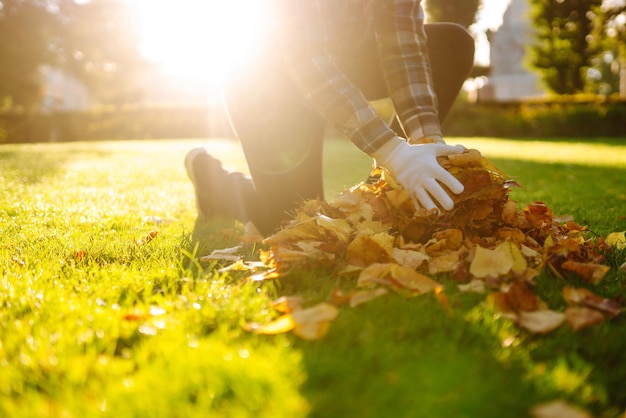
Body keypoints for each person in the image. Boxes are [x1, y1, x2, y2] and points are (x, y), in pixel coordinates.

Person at [185, 0, 475, 236]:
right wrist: (394, 152)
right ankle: (211, 178)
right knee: (298, 226)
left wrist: (424, 143)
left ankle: (384, 196)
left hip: (344, 57)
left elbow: (405, 48)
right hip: (267, 81)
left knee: (451, 43)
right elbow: (306, 59)